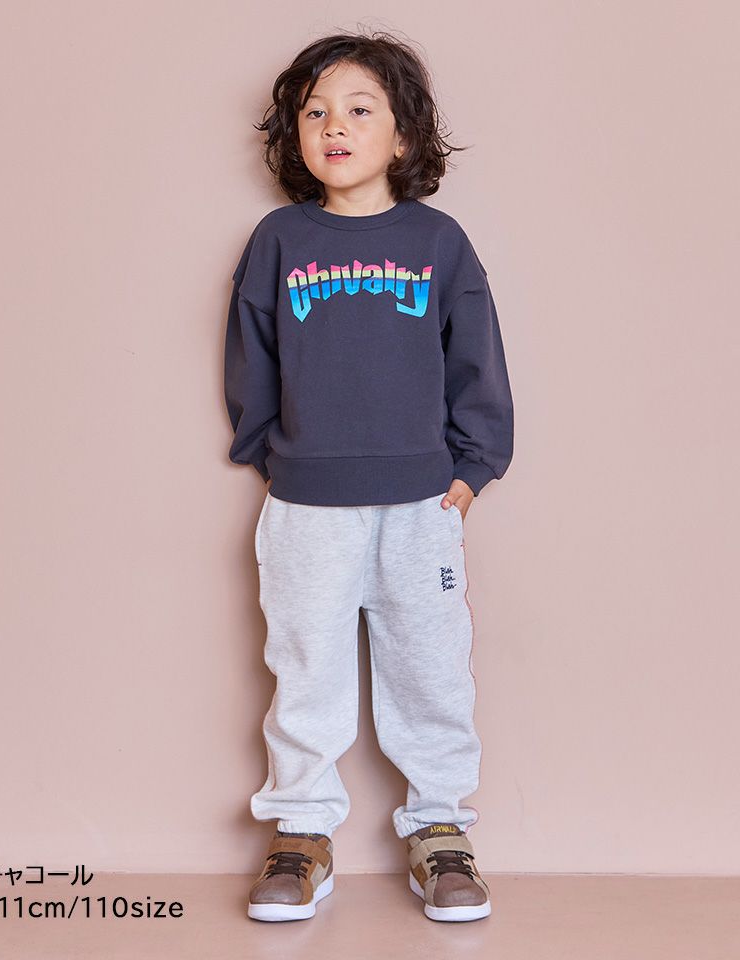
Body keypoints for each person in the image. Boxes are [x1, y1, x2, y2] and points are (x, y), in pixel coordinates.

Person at [223, 30, 514, 924]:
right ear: (294, 135)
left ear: (404, 136)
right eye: (314, 112)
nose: (334, 127)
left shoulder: (438, 242)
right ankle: (301, 834)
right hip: (307, 504)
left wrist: (473, 466)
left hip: (420, 503)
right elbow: (249, 355)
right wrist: (270, 450)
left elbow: (476, 359)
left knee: (430, 670)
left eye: (358, 110)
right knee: (304, 669)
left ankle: (440, 831)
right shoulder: (279, 240)